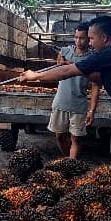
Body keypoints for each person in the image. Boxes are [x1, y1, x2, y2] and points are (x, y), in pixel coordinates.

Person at [21, 15, 111, 214]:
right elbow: (99, 76)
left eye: (91, 39)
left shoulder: (106, 55)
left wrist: (36, 76)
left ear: (104, 38)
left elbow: (66, 72)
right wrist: (81, 69)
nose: (89, 43)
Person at [47, 22, 100, 159]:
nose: (78, 41)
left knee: (76, 139)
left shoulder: (93, 59)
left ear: (89, 39)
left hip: (78, 106)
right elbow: (57, 71)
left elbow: (95, 86)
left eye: (82, 38)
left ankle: (71, 165)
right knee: (59, 136)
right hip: (60, 103)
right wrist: (60, 64)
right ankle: (69, 163)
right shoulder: (64, 52)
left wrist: (92, 111)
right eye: (76, 37)